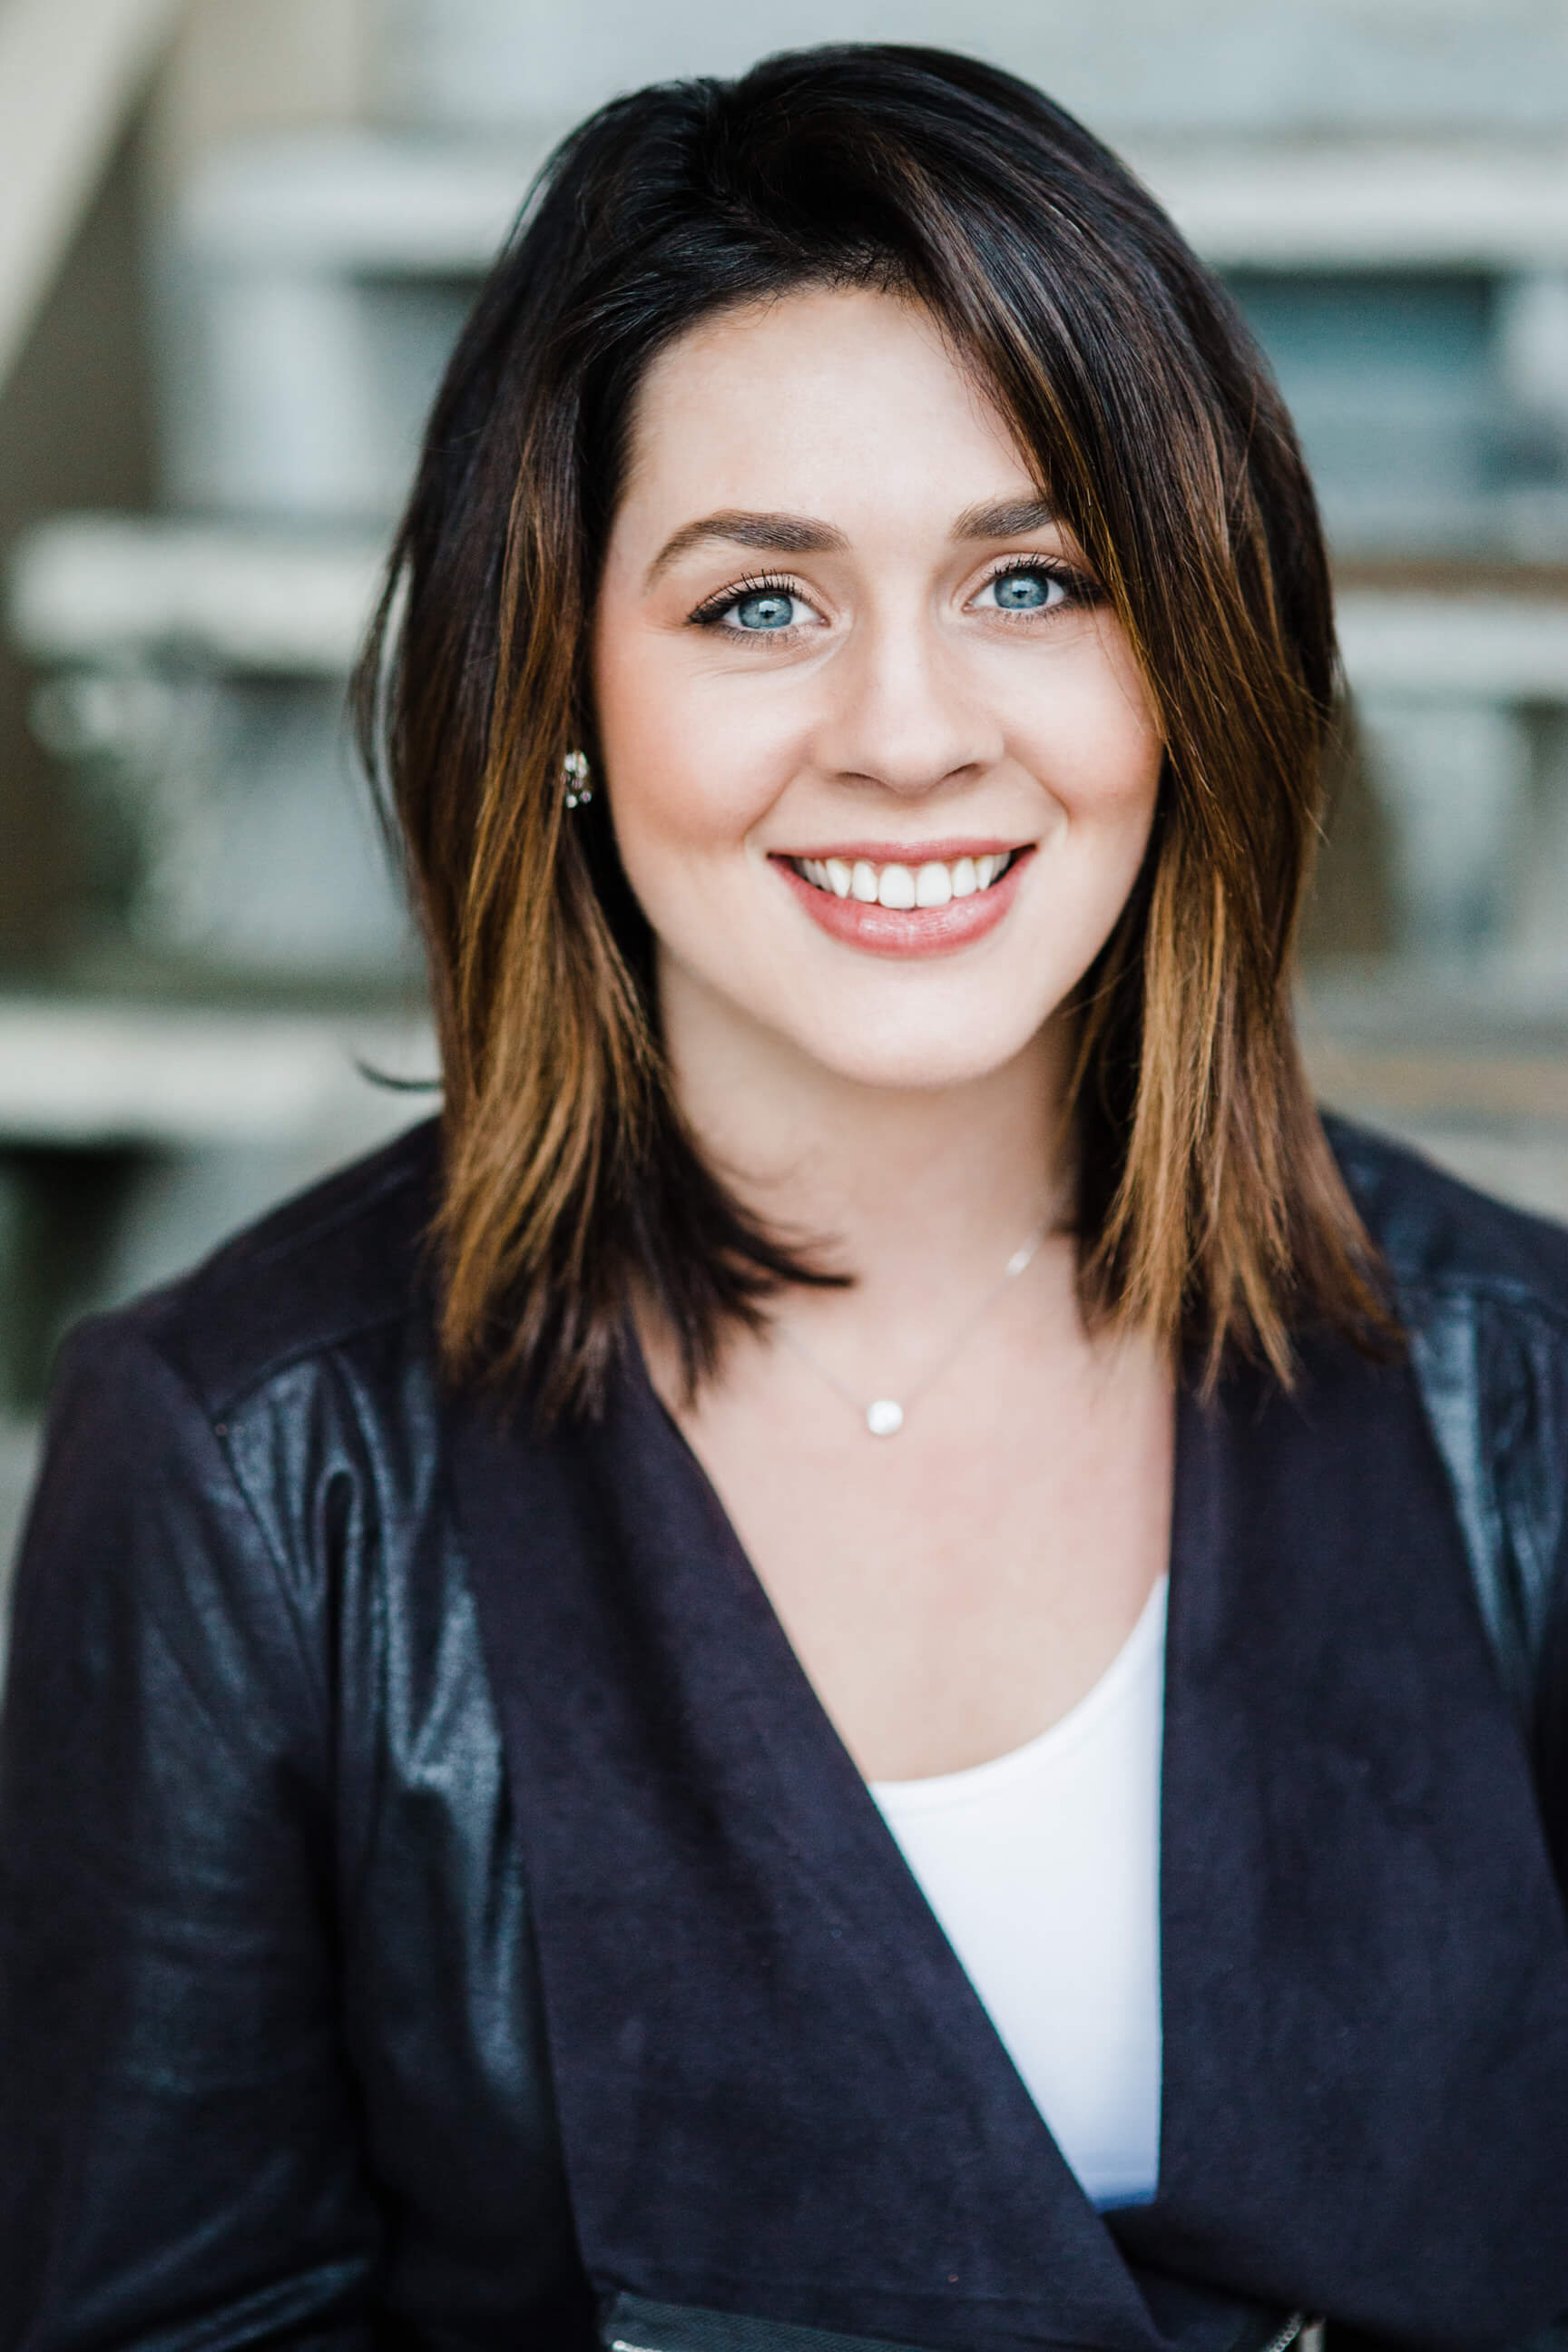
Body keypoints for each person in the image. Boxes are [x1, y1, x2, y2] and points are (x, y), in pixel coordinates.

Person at [3, 43, 1567, 2352]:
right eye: (759, 605)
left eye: (1033, 578)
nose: (914, 729)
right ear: (559, 680)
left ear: (1192, 666)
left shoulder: (1514, 1384)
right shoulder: (251, 1468)